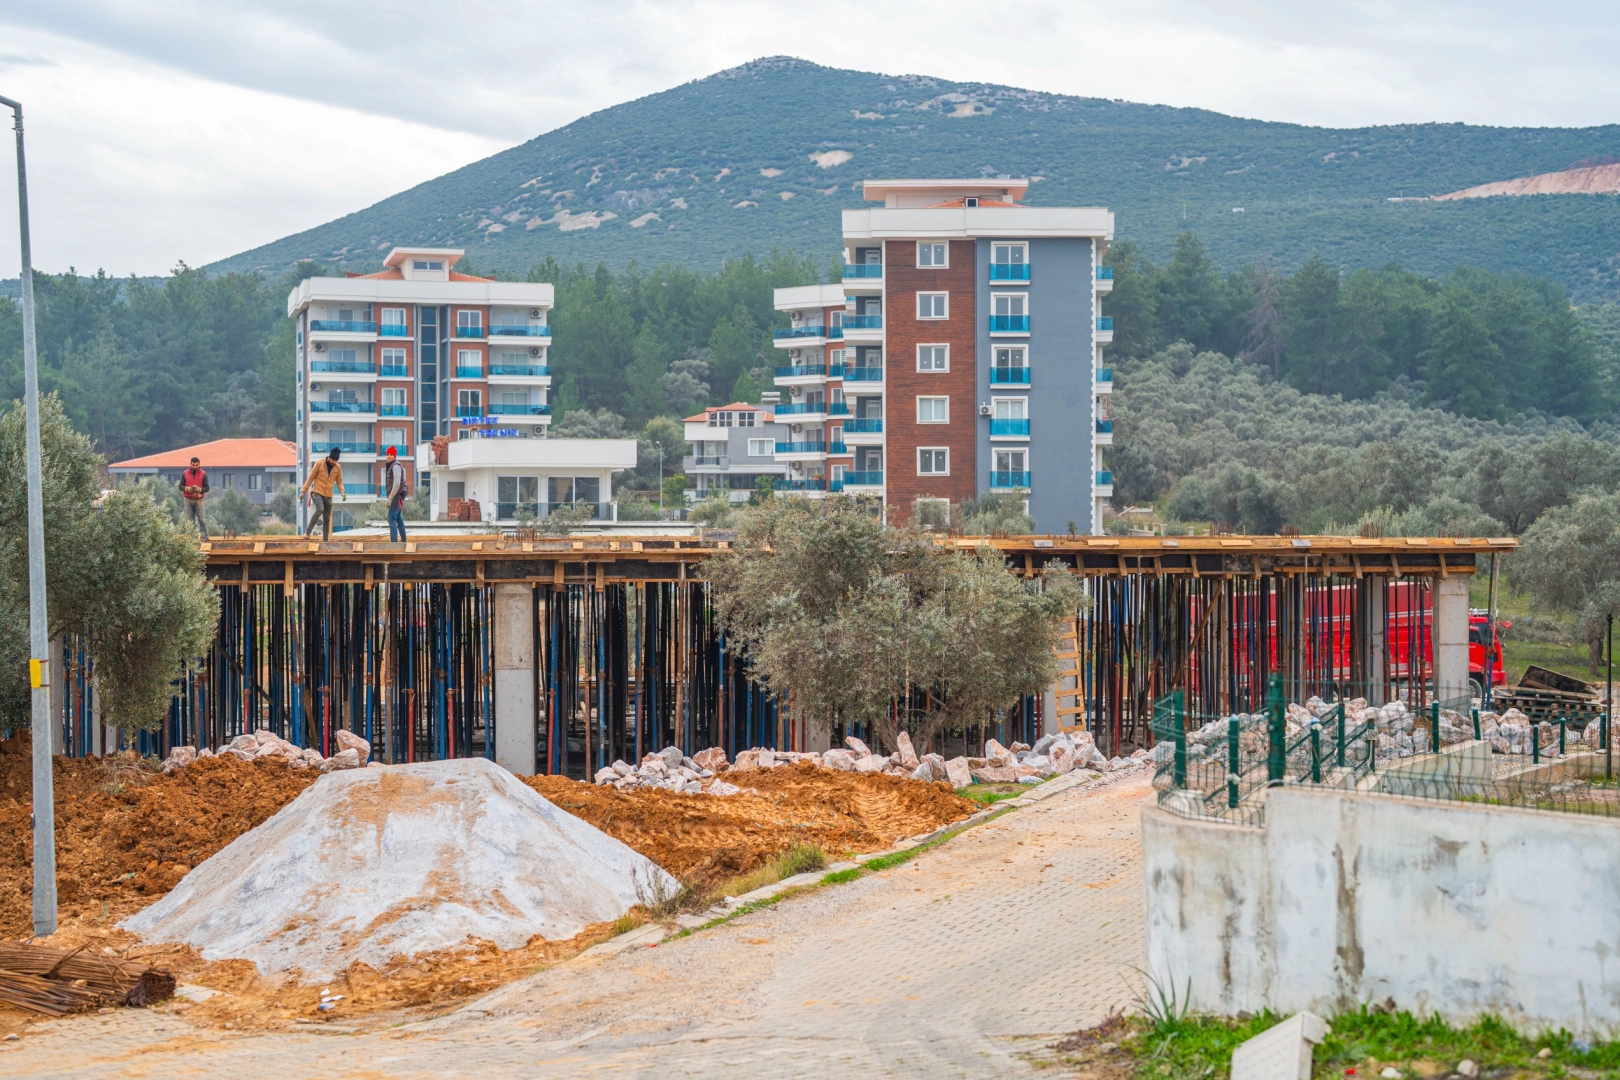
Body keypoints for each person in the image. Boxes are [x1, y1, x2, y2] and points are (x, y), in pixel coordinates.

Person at [300, 446, 346, 541]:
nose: (333, 462)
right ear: (329, 457)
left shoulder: (338, 468)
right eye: (333, 459)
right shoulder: (319, 464)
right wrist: (303, 491)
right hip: (317, 492)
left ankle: (325, 541)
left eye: (335, 461)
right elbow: (310, 478)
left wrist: (342, 491)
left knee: (327, 518)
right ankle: (307, 533)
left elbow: (339, 481)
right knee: (320, 509)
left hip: (328, 495)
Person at [382, 446, 409, 543]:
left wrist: (390, 498)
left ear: (394, 456)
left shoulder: (395, 466)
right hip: (397, 496)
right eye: (387, 454)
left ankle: (394, 542)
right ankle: (404, 540)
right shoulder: (392, 465)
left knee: (391, 518)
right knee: (398, 518)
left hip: (396, 496)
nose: (389, 456)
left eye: (391, 455)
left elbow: (397, 484)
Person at [180, 456, 209, 538]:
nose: (195, 467)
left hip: (198, 500)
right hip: (188, 499)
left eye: (196, 465)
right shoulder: (185, 473)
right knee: (191, 520)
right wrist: (186, 488)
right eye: (193, 465)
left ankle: (205, 537)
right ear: (190, 464)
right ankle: (193, 538)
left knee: (201, 520)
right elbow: (180, 486)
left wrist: (199, 490)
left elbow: (207, 488)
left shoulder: (203, 474)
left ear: (199, 464)